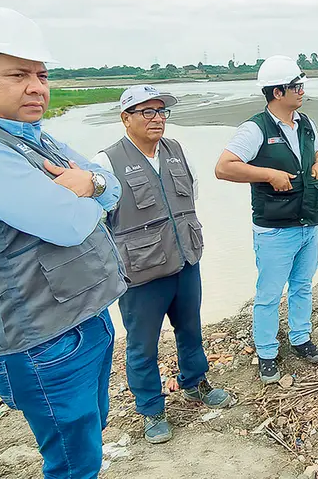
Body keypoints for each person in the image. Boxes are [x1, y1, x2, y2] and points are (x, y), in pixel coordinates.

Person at [0, 8, 126, 478]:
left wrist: (86, 184)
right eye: (18, 75)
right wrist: (90, 190)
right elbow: (68, 225)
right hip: (43, 340)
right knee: (72, 464)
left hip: (85, 318)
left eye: (42, 75)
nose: (37, 87)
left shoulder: (33, 138)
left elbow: (113, 186)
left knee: (88, 444)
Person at [91, 85, 233, 444]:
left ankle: (196, 383)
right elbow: (97, 220)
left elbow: (191, 195)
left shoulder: (178, 152)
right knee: (142, 346)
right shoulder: (106, 162)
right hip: (141, 274)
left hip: (186, 261)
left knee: (190, 329)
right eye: (147, 112)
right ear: (125, 118)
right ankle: (152, 410)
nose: (157, 119)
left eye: (161, 112)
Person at [215, 55, 318, 384]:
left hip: (309, 222)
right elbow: (224, 167)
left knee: (303, 286)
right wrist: (267, 174)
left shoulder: (305, 123)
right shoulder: (254, 129)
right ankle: (266, 351)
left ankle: (300, 339)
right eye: (296, 86)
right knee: (269, 293)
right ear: (277, 92)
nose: (302, 90)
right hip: (275, 230)